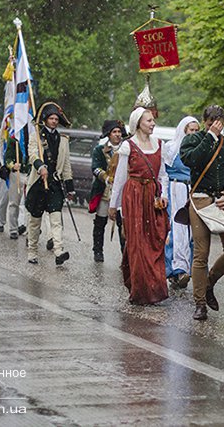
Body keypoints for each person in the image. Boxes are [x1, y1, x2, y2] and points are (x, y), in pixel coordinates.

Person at [180, 105, 224, 320]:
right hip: (199, 200)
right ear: (204, 122)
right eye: (210, 124)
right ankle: (200, 303)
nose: (216, 127)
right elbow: (191, 160)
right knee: (201, 254)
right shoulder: (193, 139)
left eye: (218, 124)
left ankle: (209, 283)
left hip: (222, 202)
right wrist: (209, 136)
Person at [109, 107, 169, 305]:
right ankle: (140, 291)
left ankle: (156, 289)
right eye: (149, 121)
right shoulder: (128, 146)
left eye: (153, 120)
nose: (153, 123)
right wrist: (114, 205)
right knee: (138, 244)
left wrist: (164, 194)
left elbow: (163, 175)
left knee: (154, 242)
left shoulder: (159, 144)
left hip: (152, 197)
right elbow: (119, 179)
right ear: (138, 123)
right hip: (133, 197)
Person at [26, 102, 75, 266]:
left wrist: (70, 188)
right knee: (35, 221)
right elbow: (32, 154)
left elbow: (66, 165)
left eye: (56, 119)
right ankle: (32, 251)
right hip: (38, 184)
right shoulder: (36, 137)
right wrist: (41, 167)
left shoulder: (63, 140)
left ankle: (59, 251)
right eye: (51, 118)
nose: (54, 121)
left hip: (54, 184)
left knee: (56, 219)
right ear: (45, 120)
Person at [163, 115, 200, 289]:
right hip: (175, 190)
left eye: (196, 130)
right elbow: (163, 174)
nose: (193, 133)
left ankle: (186, 269)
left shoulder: (198, 150)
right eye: (191, 130)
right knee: (176, 230)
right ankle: (175, 270)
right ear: (183, 130)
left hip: (191, 191)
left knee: (191, 231)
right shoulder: (170, 148)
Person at [90, 119, 126, 262]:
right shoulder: (100, 150)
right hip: (105, 191)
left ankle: (125, 255)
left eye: (119, 132)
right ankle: (97, 250)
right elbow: (96, 168)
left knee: (122, 224)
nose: (117, 135)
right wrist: (107, 177)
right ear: (109, 134)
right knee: (100, 222)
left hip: (122, 193)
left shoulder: (126, 149)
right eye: (114, 132)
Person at [2, 128, 30, 240]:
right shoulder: (14, 138)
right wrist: (12, 165)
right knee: (14, 202)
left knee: (31, 203)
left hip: (29, 173)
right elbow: (7, 157)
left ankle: (29, 229)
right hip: (16, 173)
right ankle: (13, 228)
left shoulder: (34, 135)